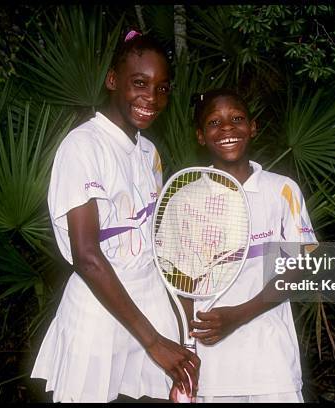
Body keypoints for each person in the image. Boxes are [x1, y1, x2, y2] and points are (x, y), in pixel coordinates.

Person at [30, 30, 199, 403]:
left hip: (149, 305)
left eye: (162, 88)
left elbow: (153, 243)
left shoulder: (149, 151)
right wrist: (154, 341)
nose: (151, 99)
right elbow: (87, 257)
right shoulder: (83, 145)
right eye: (140, 83)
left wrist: (178, 313)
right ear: (112, 80)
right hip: (100, 314)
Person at [181, 88, 318, 403]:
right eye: (214, 122)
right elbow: (183, 285)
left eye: (237, 119)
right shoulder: (187, 198)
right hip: (213, 364)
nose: (227, 128)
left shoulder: (282, 189)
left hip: (272, 362)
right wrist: (187, 351)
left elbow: (299, 267)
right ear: (200, 136)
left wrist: (239, 315)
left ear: (253, 127)